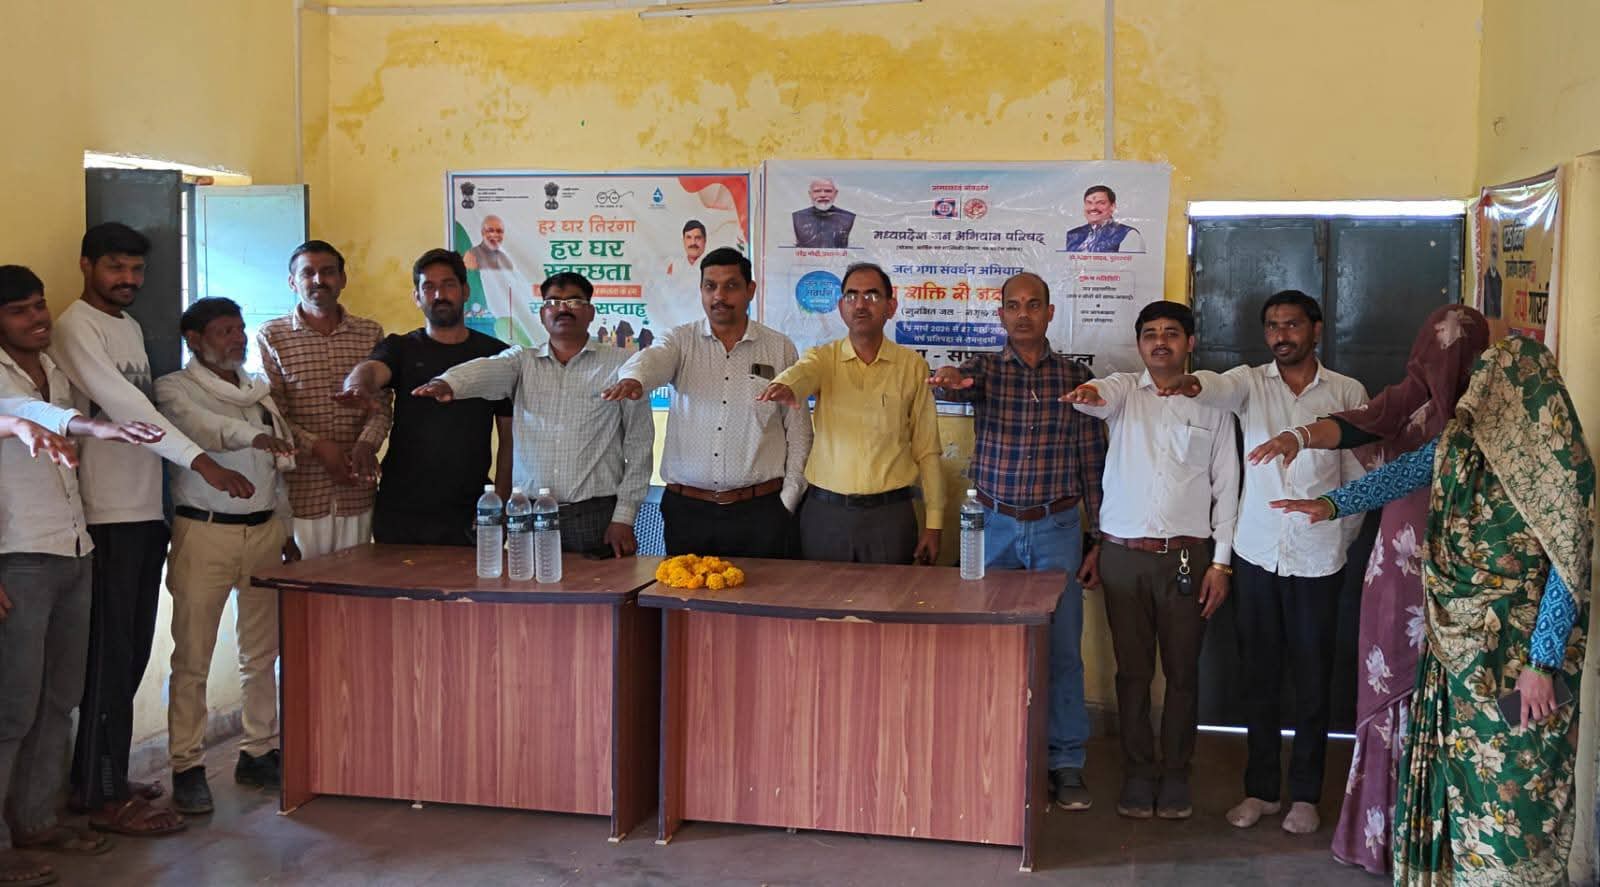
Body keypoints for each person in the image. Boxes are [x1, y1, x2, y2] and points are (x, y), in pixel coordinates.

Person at [1271, 335, 1591, 885]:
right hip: (1457, 652)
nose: (1482, 397)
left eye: (1498, 387)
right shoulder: (1464, 443)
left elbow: (1569, 568)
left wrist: (1541, 664)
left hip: (1521, 658)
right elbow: (1407, 472)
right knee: (1461, 778)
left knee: (1519, 785)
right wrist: (1331, 504)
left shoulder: (1559, 467)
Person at [1245, 303, 1491, 873]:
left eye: (1457, 354)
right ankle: (1389, 828)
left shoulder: (1493, 419)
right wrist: (1305, 445)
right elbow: (1369, 437)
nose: (1444, 366)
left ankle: (1451, 840)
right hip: (1401, 573)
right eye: (1437, 353)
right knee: (1391, 688)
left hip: (1474, 581)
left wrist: (1335, 506)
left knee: (1459, 696)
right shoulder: (1409, 399)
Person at [50, 224, 254, 837]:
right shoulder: (75, 327)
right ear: (86, 265)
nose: (128, 280)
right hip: (105, 514)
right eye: (116, 267)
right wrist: (202, 462)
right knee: (109, 658)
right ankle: (100, 795)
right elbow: (127, 405)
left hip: (143, 511)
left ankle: (103, 776)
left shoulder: (130, 327)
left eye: (136, 270)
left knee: (134, 650)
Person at [1154, 290, 1368, 834]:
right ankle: (1262, 791)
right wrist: (1192, 383)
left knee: (1314, 681)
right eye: (1272, 326)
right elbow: (1217, 387)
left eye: (1292, 325)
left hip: (1319, 560)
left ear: (1316, 329)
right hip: (1257, 557)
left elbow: (1358, 482)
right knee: (1260, 678)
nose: (1281, 335)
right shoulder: (1250, 382)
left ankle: (1306, 795)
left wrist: (1338, 540)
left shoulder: (1346, 391)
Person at [0, 265, 169, 885]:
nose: (37, 318)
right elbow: (21, 411)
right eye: (19, 310)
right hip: (18, 557)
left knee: (59, 699)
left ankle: (36, 820)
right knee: (12, 709)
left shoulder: (56, 366)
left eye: (39, 305)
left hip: (76, 549)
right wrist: (94, 425)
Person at [927, 271, 1107, 811]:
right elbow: (957, 382)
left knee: (1062, 649)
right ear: (1000, 314)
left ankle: (1066, 761)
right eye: (1013, 305)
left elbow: (1092, 463)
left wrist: (1096, 538)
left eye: (1033, 305)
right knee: (987, 644)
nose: (1023, 314)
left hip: (1057, 529)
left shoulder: (1076, 378)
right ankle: (992, 751)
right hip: (993, 527)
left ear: (1050, 312)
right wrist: (948, 379)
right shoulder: (985, 370)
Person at [1060, 300, 1238, 821]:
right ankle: (1138, 773)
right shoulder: (1122, 393)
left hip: (1187, 559)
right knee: (1132, 673)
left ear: (1190, 343)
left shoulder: (1214, 404)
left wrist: (1221, 564)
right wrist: (1088, 394)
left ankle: (1177, 773)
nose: (1160, 342)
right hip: (1123, 558)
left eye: (1171, 333)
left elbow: (1228, 489)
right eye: (1150, 334)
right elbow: (1098, 396)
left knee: (1182, 673)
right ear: (1139, 344)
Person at [155, 298, 299, 814]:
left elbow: (277, 468)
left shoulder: (257, 389)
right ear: (194, 339)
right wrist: (255, 436)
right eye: (223, 331)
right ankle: (187, 765)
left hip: (263, 533)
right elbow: (204, 429)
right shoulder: (174, 389)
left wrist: (284, 529)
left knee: (262, 654)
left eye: (239, 329)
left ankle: (258, 750)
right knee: (192, 658)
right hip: (205, 533)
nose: (237, 339)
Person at [415, 272, 652, 557]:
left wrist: (624, 518)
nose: (563, 308)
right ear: (542, 314)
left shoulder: (624, 366)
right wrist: (448, 382)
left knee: (597, 588)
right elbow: (489, 368)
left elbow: (639, 445)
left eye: (574, 301)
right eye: (553, 302)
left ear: (590, 312)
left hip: (595, 516)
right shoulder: (521, 362)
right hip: (529, 515)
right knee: (526, 586)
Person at [604, 247, 812, 558]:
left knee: (762, 590)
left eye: (731, 286)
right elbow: (654, 359)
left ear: (750, 290)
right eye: (710, 286)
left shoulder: (779, 348)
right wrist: (635, 378)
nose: (719, 296)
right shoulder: (680, 341)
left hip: (761, 512)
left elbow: (798, 430)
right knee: (685, 591)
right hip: (688, 513)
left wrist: (789, 497)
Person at [758, 262, 943, 565]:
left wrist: (934, 524)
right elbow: (803, 373)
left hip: (890, 518)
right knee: (822, 596)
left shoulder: (912, 366)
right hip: (826, 515)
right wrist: (787, 385)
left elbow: (928, 450)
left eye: (872, 295)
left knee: (890, 596)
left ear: (891, 306)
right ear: (841, 307)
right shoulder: (823, 358)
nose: (860, 304)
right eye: (851, 296)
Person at [334, 249, 513, 545]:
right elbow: (371, 370)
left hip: (470, 507)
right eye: (428, 287)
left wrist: (501, 503)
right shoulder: (400, 348)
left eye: (448, 285)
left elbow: (509, 439)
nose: (439, 295)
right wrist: (357, 386)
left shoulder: (496, 355)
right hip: (401, 508)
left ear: (465, 291)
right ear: (417, 297)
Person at [257, 240, 391, 560]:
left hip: (357, 490)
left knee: (355, 584)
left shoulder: (369, 333)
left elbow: (383, 405)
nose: (319, 280)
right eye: (308, 273)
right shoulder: (272, 335)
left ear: (342, 279)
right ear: (293, 282)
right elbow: (272, 414)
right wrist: (318, 447)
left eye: (328, 272)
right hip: (301, 493)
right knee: (302, 586)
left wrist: (366, 444)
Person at [1063, 185, 1146, 253]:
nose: (1093, 208)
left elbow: (1131, 267)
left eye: (1101, 203)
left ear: (1112, 206)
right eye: (1089, 203)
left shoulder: (1128, 234)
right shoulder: (1072, 235)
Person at [792, 178, 856, 248]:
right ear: (810, 194)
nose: (823, 195)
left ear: (835, 193)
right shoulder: (797, 217)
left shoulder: (848, 217)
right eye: (817, 191)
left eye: (828, 191)